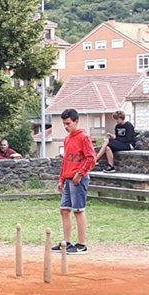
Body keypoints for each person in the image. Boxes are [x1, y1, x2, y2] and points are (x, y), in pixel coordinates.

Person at [53, 109, 95, 255]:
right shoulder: (67, 139)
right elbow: (65, 161)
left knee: (78, 211)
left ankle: (82, 244)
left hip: (78, 179)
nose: (66, 126)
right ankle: (67, 242)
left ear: (76, 121)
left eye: (68, 123)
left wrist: (80, 173)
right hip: (68, 178)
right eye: (64, 124)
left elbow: (91, 158)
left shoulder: (84, 137)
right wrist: (61, 179)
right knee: (64, 210)